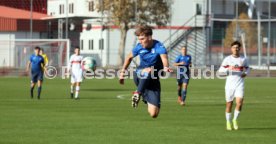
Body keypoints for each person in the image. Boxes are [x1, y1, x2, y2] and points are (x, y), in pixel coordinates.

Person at [119, 25, 172, 118]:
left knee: (153, 114)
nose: (140, 41)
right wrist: (123, 73)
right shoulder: (139, 47)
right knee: (148, 70)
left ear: (149, 37)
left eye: (142, 39)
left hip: (153, 81)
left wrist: (166, 67)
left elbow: (164, 58)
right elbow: (129, 57)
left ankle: (144, 95)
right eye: (139, 39)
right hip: (140, 75)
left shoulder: (159, 46)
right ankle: (138, 93)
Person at [218, 41, 250, 130]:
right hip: (229, 85)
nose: (236, 49)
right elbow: (220, 70)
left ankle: (235, 120)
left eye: (237, 47)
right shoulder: (227, 59)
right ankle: (228, 122)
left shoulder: (243, 59)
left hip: (240, 84)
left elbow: (247, 68)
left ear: (239, 49)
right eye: (234, 47)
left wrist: (246, 73)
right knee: (229, 104)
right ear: (231, 49)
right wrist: (226, 71)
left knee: (239, 103)